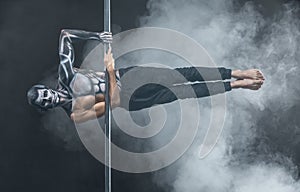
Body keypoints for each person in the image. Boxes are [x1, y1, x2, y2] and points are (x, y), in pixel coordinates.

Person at [27, 29, 265, 123]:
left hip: (129, 76)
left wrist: (97, 36)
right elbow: (115, 102)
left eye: (45, 93)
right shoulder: (76, 114)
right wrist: (109, 69)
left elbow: (65, 35)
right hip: (132, 100)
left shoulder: (66, 74)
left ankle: (236, 72)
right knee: (184, 91)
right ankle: (236, 85)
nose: (50, 98)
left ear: (46, 88)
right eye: (45, 102)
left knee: (182, 75)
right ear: (46, 108)